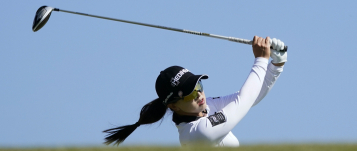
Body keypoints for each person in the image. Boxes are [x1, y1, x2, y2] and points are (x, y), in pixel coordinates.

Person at [103, 36, 287, 147]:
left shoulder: (206, 109)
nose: (199, 94)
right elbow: (243, 100)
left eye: (198, 86)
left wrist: (276, 64)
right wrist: (261, 60)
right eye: (190, 93)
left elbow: (251, 97)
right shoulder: (197, 133)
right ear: (174, 106)